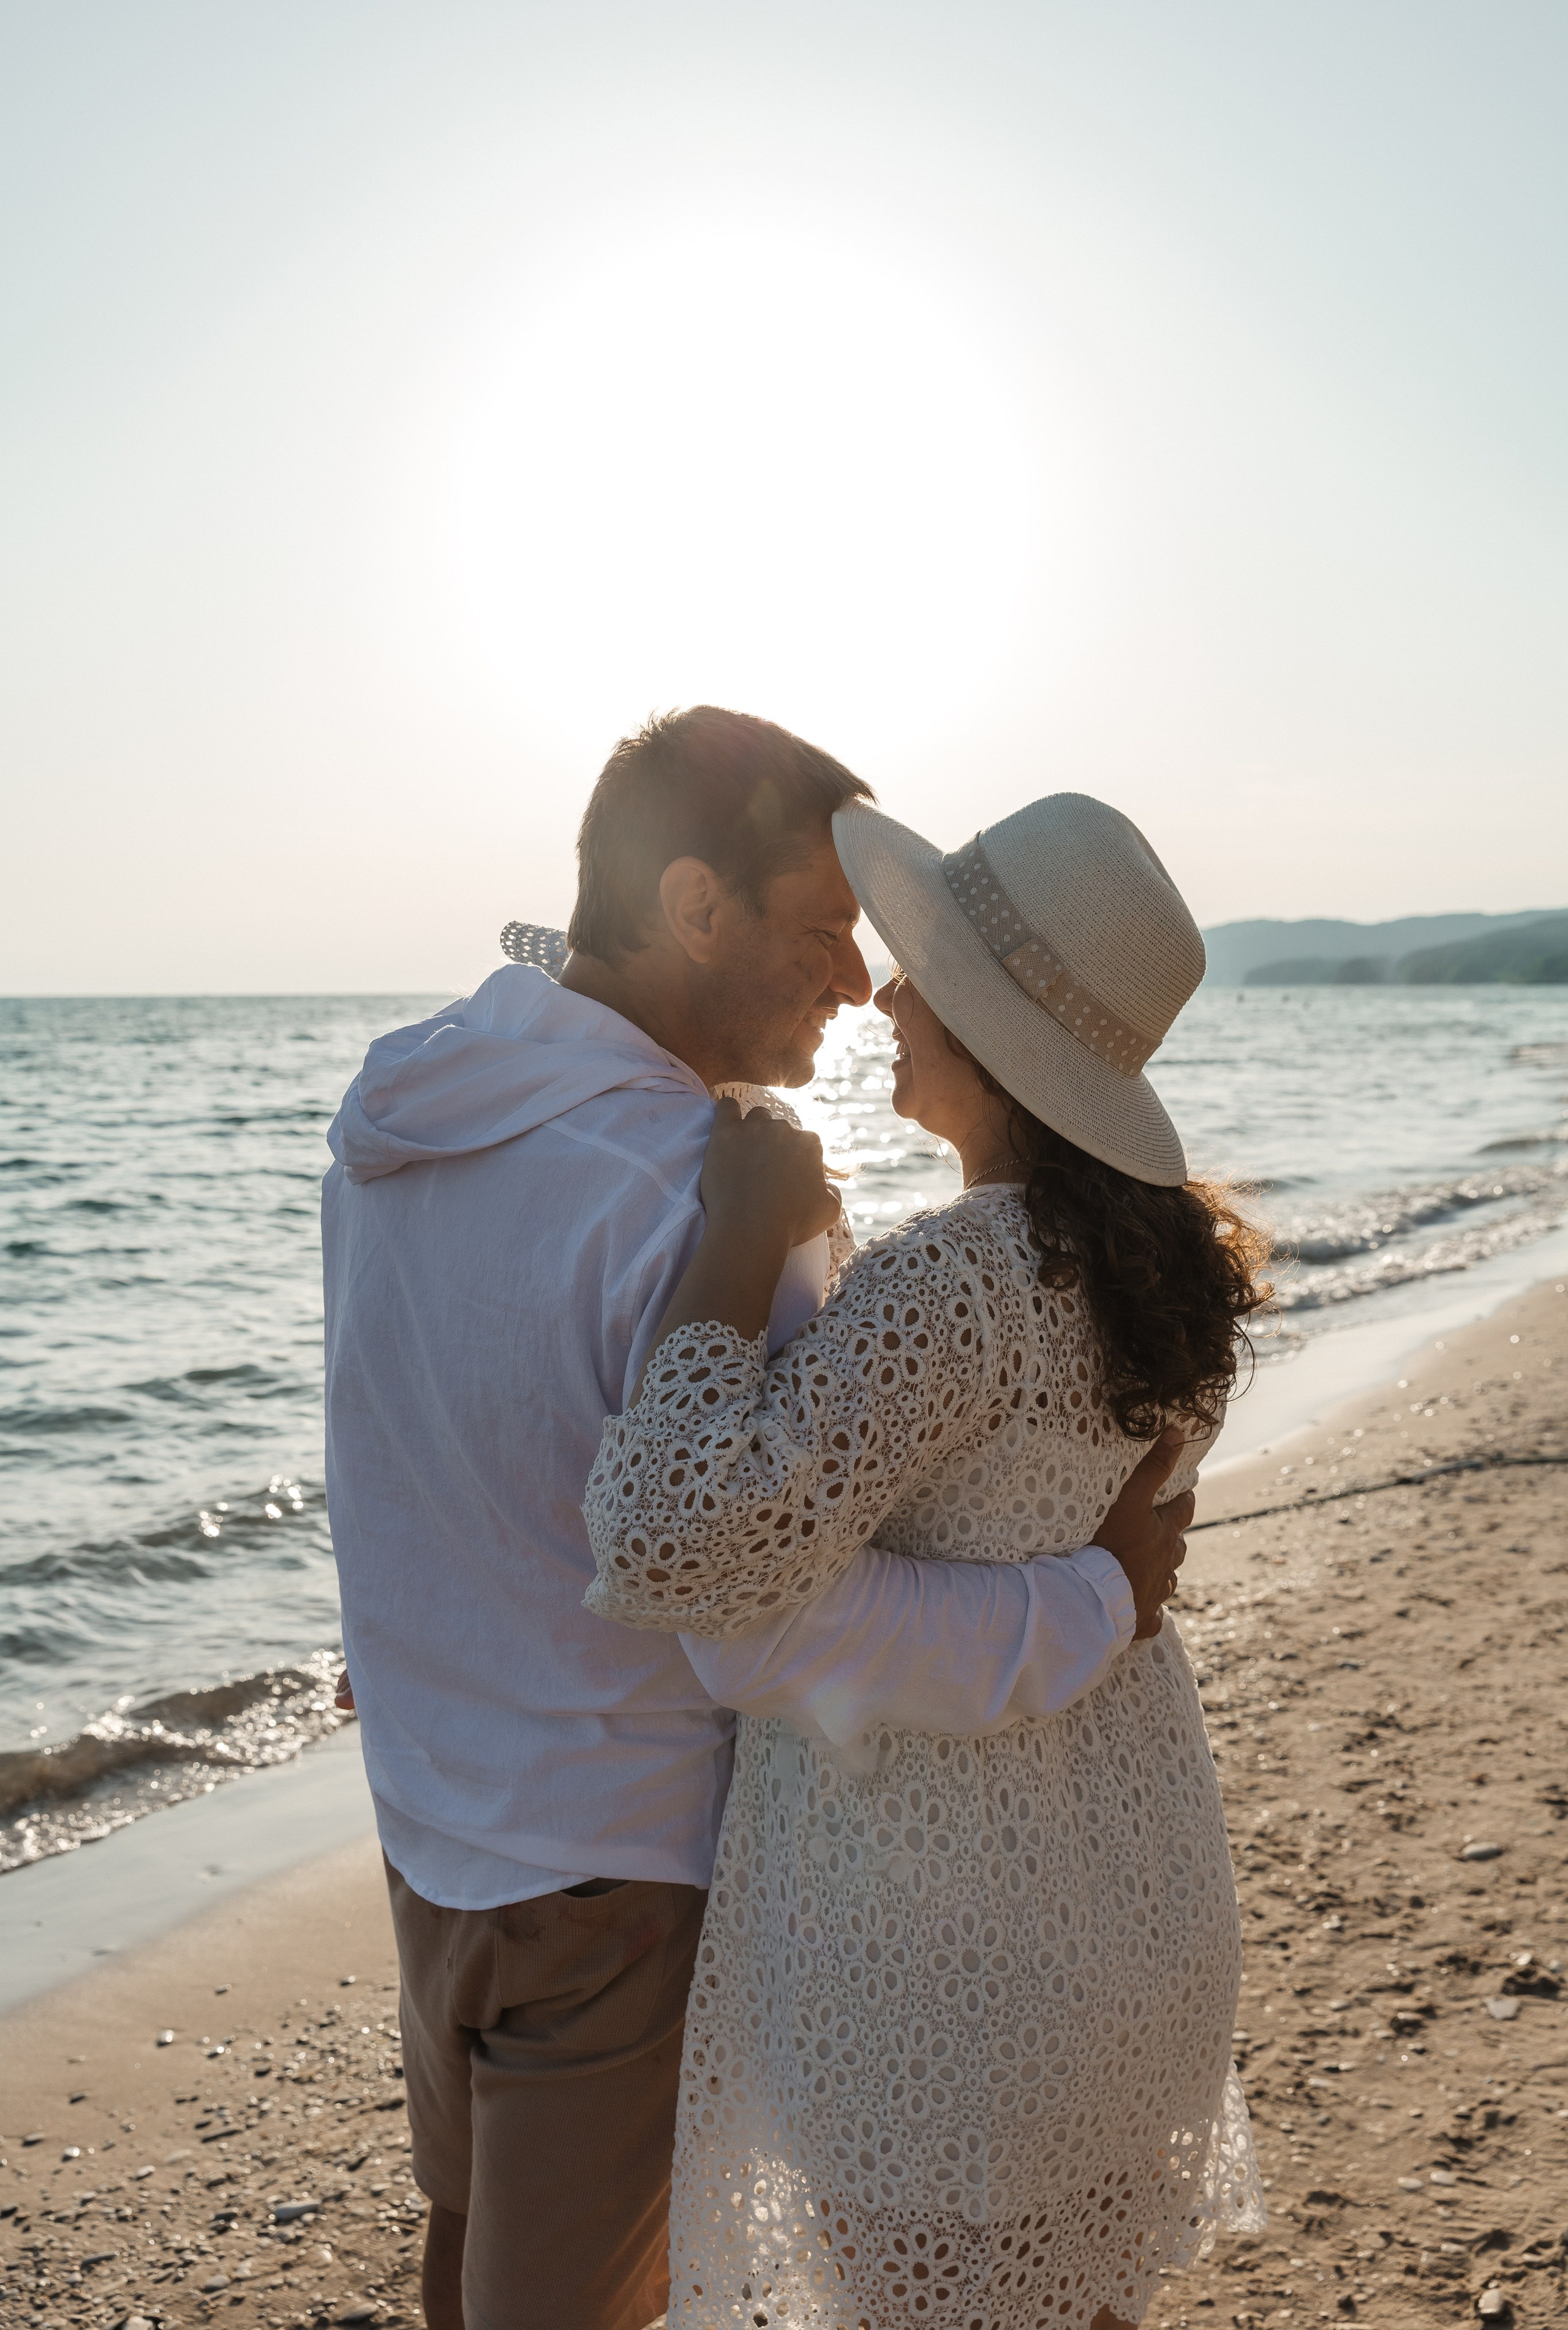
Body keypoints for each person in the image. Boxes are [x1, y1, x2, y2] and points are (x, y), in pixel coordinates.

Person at [322, 711, 1193, 2330]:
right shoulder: (711, 1197)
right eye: (823, 929)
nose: (860, 983)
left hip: (428, 1831)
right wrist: (1094, 1602)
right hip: (620, 1876)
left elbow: (399, 1442)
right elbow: (783, 1618)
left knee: (461, 2253)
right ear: (694, 906)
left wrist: (398, 1646)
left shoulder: (396, 1109)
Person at [584, 789, 1272, 2330]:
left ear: (994, 1028)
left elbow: (674, 1539)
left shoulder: (959, 1284)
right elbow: (1105, 1556)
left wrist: (736, 1240)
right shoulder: (1173, 1280)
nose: (884, 994)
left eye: (923, 972)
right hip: (1128, 1885)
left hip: (929, 1937)